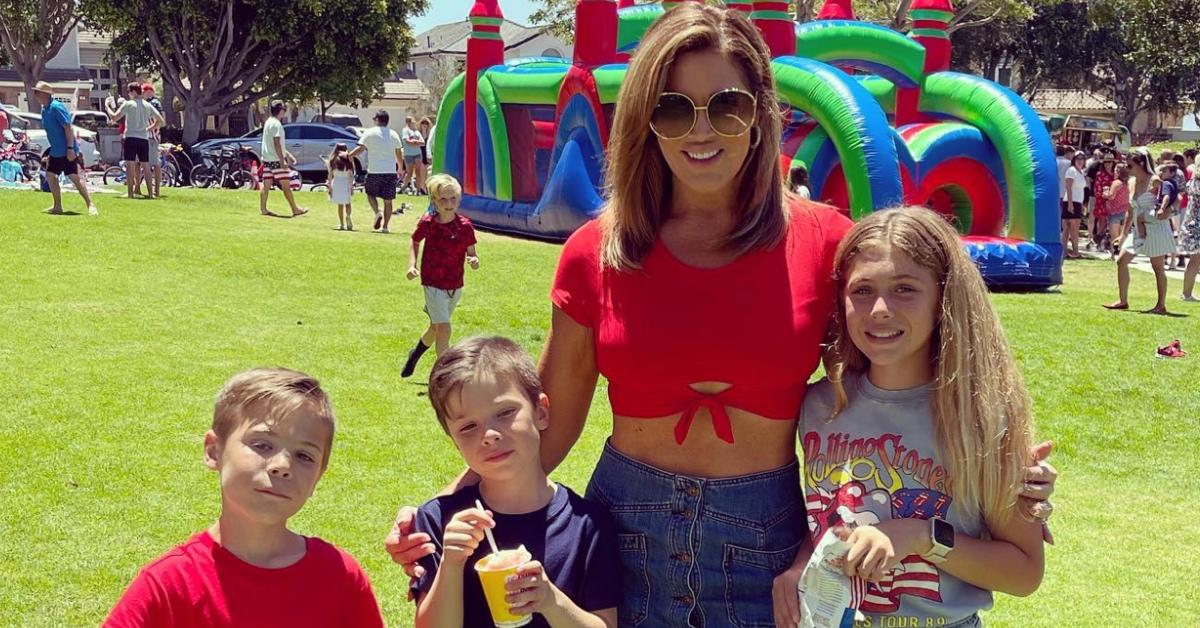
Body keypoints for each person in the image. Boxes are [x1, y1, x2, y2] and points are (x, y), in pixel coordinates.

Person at [385, 6, 1057, 626]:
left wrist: (1003, 466)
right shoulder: (597, 249)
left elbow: (898, 364)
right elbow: (547, 427)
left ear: (761, 112)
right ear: (646, 120)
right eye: (674, 109)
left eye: (726, 106)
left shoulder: (826, 242)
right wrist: (445, 512)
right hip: (623, 530)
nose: (700, 130)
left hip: (769, 539)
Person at [776, 208, 1045, 627]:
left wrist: (921, 537)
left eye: (904, 289)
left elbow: (1025, 571)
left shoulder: (980, 419)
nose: (880, 309)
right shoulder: (818, 406)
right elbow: (831, 519)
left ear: (944, 298)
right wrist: (802, 566)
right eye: (862, 290)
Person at [103, 368, 385, 626]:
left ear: (319, 476)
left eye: (304, 456)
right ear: (214, 450)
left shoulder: (340, 577)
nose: (282, 466)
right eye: (263, 444)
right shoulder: (169, 584)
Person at [411, 336, 619, 628]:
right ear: (454, 442)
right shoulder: (439, 521)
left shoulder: (587, 524)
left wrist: (550, 601)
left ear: (541, 412)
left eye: (505, 413)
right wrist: (451, 563)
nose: (489, 434)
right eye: (468, 426)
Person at [401, 174, 479, 378]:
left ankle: (415, 353)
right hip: (432, 282)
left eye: (453, 198)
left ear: (459, 199)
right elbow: (415, 240)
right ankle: (443, 376)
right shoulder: (428, 223)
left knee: (436, 328)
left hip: (455, 284)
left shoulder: (465, 226)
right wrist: (412, 265)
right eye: (443, 199)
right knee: (444, 329)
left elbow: (471, 252)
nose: (449, 203)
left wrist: (473, 260)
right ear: (434, 201)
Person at [1106, 148, 1176, 314]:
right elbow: (1130, 211)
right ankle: (1122, 301)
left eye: (1130, 165)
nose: (1127, 169)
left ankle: (1161, 305)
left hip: (1155, 228)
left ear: (1141, 164)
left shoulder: (1155, 181)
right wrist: (1123, 234)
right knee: (1121, 261)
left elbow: (1168, 204)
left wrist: (1153, 215)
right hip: (1137, 229)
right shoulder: (1131, 182)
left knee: (1157, 267)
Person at [32, 81, 98, 216]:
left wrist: (70, 148)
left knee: (74, 177)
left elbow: (68, 127)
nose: (35, 95)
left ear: (44, 94)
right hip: (55, 150)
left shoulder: (56, 107)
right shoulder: (45, 109)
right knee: (50, 175)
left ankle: (90, 204)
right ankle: (57, 206)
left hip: (66, 149)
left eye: (37, 92)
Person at [347, 110, 404, 233]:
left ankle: (377, 212)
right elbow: (398, 153)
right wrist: (400, 167)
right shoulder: (394, 134)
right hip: (390, 171)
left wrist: (350, 155)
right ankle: (385, 227)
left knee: (370, 194)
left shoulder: (370, 132)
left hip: (374, 170)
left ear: (377, 120)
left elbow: (360, 148)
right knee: (388, 200)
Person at [111, 81, 165, 200]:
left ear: (134, 92)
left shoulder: (129, 104)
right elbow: (161, 120)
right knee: (146, 165)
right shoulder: (147, 105)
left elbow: (114, 117)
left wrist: (107, 107)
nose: (129, 94)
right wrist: (150, 128)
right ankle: (151, 193)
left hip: (131, 137)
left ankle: (130, 193)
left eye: (129, 92)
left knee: (130, 165)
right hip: (143, 138)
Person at [258, 100, 308, 218]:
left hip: (267, 159)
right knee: (286, 185)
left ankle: (263, 208)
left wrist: (288, 154)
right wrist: (282, 160)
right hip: (276, 160)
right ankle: (295, 209)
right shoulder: (276, 124)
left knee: (266, 185)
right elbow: (276, 142)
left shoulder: (268, 122)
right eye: (284, 110)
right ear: (280, 111)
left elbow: (274, 143)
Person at [1181, 154, 1200, 301]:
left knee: (1194, 260)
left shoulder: (1193, 181)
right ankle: (1186, 293)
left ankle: (1186, 293)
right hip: (1197, 225)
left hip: (1192, 223)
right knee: (1195, 260)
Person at [1102, 163, 1130, 258]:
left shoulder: (1116, 183)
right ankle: (1122, 254)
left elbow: (1111, 196)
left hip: (1114, 212)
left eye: (1115, 170)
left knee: (1114, 235)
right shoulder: (1127, 183)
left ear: (1118, 172)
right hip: (1124, 212)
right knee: (1122, 235)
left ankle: (1114, 254)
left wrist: (1105, 192)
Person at [1062, 152, 1087, 258]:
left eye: (1082, 159)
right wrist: (1070, 203)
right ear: (1074, 160)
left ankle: (1067, 251)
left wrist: (1081, 204)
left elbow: (1081, 190)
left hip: (1077, 202)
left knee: (1070, 228)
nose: (1080, 161)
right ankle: (1074, 251)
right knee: (1072, 228)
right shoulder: (1071, 170)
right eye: (1078, 159)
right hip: (1070, 201)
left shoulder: (1081, 172)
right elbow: (1068, 187)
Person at [142, 83, 164, 198]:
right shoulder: (146, 103)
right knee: (146, 164)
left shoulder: (154, 103)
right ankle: (150, 189)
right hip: (146, 137)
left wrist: (149, 129)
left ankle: (156, 190)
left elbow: (158, 119)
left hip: (152, 137)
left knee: (154, 164)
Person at [326, 143, 355, 231]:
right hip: (346, 182)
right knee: (348, 203)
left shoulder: (333, 160)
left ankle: (342, 224)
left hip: (337, 182)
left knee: (340, 205)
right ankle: (348, 216)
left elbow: (330, 175)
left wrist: (329, 186)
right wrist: (352, 187)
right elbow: (351, 175)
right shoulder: (348, 160)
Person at [1091, 155, 1115, 250]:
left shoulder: (1115, 174)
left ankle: (1109, 242)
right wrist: (1104, 196)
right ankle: (1099, 240)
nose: (1107, 164)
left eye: (1109, 162)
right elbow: (1097, 188)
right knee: (1102, 221)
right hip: (1102, 201)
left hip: (1114, 202)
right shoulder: (1100, 174)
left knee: (1112, 222)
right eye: (1105, 162)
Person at [401, 116, 426, 194]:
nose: (414, 123)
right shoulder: (405, 130)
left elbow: (423, 143)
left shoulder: (416, 131)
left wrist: (414, 141)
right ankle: (403, 187)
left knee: (418, 172)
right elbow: (407, 141)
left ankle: (418, 190)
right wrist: (415, 142)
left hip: (417, 154)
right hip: (408, 154)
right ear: (408, 122)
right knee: (409, 172)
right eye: (412, 121)